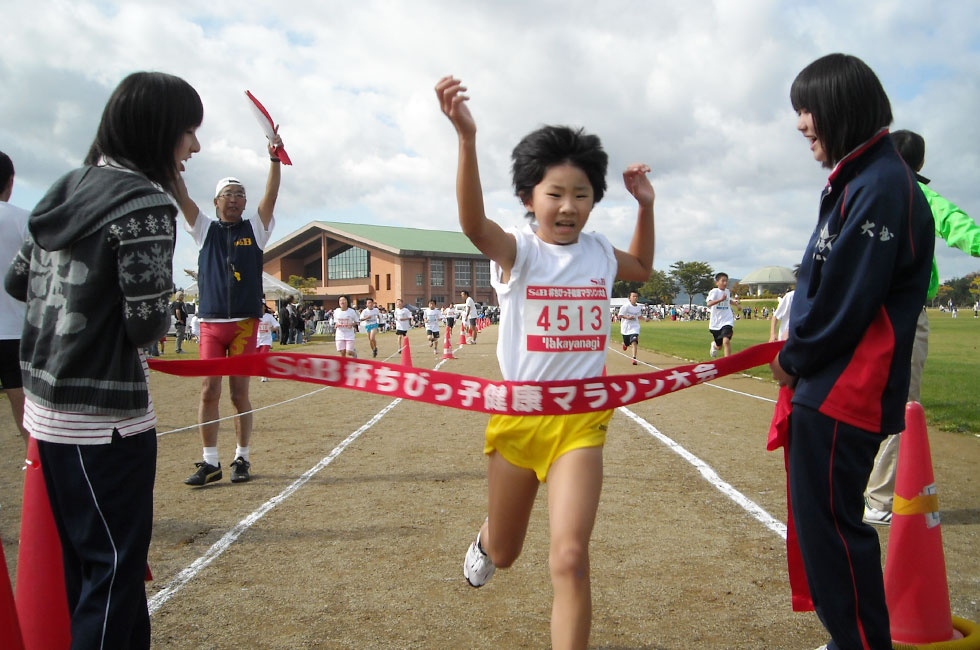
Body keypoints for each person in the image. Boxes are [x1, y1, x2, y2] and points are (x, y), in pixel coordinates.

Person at [436, 75, 655, 649]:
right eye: (554, 193)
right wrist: (465, 139)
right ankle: (487, 542)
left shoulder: (601, 252)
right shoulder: (521, 252)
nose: (568, 206)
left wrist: (646, 208)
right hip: (519, 420)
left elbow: (645, 270)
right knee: (507, 553)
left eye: (581, 194)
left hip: (580, 424)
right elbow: (472, 226)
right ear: (529, 197)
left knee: (570, 557)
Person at [4, 71, 202, 649]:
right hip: (105, 419)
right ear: (160, 130)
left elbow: (19, 283)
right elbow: (147, 325)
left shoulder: (65, 185)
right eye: (190, 131)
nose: (194, 147)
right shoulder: (146, 204)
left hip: (44, 409)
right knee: (113, 576)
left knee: (80, 570)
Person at [769, 53, 933, 650]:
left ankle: (861, 643)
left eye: (806, 110)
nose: (800, 124)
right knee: (823, 529)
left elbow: (849, 297)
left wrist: (793, 357)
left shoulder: (882, 184)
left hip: (847, 387)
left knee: (833, 532)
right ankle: (851, 639)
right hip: (833, 385)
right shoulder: (862, 179)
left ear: (839, 107)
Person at [863, 129, 980, 525]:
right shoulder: (922, 195)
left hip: (861, 312)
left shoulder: (866, 192)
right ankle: (879, 501)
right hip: (904, 312)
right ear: (920, 164)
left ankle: (849, 490)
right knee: (903, 406)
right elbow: (962, 229)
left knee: (860, 400)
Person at [176, 127, 284, 487]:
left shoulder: (256, 229)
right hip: (209, 323)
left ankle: (242, 458)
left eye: (240, 194)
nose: (235, 199)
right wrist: (171, 163)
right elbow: (181, 195)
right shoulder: (203, 229)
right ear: (216, 201)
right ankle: (210, 461)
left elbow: (271, 194)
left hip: (242, 326)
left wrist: (274, 158)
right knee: (209, 391)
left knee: (239, 394)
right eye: (228, 194)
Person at [0, 152, 30, 443]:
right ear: (11, 182)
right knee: (23, 405)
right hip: (16, 330)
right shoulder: (23, 220)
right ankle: (34, 467)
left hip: (15, 329)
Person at [706, 272, 738, 357]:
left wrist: (737, 305)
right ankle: (714, 345)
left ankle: (728, 363)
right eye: (723, 281)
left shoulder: (727, 291)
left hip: (727, 320)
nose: (725, 283)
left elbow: (728, 300)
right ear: (717, 282)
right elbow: (709, 304)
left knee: (726, 341)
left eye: (726, 281)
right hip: (716, 323)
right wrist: (720, 300)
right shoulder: (714, 292)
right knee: (719, 346)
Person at [618, 290, 643, 365]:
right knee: (627, 342)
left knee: (634, 342)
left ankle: (634, 358)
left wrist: (645, 319)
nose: (635, 298)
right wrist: (627, 317)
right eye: (633, 296)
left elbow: (639, 316)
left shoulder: (638, 307)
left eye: (636, 296)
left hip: (635, 327)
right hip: (626, 328)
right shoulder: (626, 306)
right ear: (629, 298)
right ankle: (625, 344)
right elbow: (620, 315)